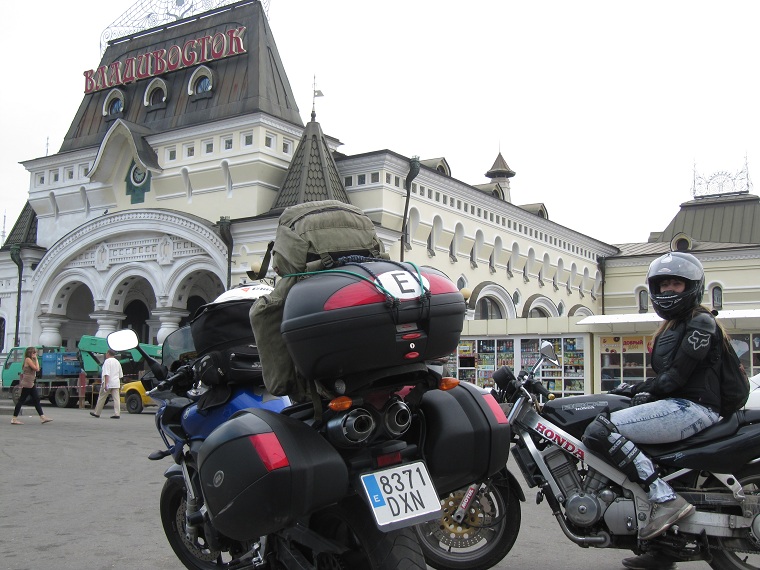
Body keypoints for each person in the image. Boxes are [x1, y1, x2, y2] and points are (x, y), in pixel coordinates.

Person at [581, 252, 724, 570]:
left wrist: (635, 389)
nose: (669, 290)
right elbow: (667, 379)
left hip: (695, 409)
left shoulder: (701, 323)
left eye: (676, 284)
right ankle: (664, 550)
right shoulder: (671, 328)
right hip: (679, 405)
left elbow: (677, 378)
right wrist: (633, 391)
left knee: (600, 431)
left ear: (692, 287)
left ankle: (665, 499)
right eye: (663, 285)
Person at [11, 347, 53, 425]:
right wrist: (36, 359)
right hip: (27, 383)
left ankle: (42, 417)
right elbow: (36, 368)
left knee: (36, 399)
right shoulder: (28, 359)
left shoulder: (31, 360)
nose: (35, 354)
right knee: (22, 400)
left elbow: (38, 368)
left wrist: (36, 360)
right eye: (34, 353)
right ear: (30, 353)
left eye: (35, 353)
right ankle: (14, 418)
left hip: (31, 382)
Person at [90, 349, 123, 419]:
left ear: (108, 353)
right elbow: (120, 375)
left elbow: (106, 374)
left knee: (102, 397)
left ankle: (97, 412)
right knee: (116, 399)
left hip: (108, 382)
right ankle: (117, 413)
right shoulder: (117, 362)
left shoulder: (107, 362)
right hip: (116, 383)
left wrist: (106, 384)